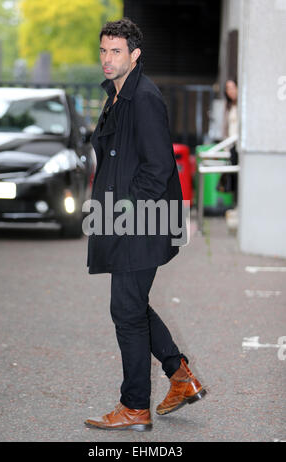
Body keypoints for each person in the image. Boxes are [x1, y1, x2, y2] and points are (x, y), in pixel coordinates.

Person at [84, 18, 207, 432]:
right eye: (103, 50)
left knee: (126, 310)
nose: (107, 58)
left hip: (140, 222)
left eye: (115, 51)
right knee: (132, 306)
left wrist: (122, 211)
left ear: (135, 55)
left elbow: (158, 169)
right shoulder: (118, 96)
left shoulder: (145, 97)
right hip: (125, 220)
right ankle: (180, 377)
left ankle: (134, 406)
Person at [217, 78, 239, 205]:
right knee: (233, 178)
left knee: (237, 178)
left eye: (232, 87)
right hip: (230, 146)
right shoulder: (228, 106)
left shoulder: (242, 105)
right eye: (228, 88)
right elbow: (226, 128)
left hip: (238, 146)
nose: (230, 91)